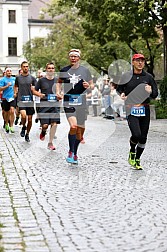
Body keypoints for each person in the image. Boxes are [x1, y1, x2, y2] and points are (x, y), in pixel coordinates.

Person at [117, 53, 158, 170]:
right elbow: (120, 89)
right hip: (131, 108)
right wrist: (122, 94)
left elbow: (155, 94)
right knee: (136, 135)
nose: (140, 63)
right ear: (133, 62)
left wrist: (150, 91)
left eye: (142, 61)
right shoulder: (127, 76)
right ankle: (132, 151)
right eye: (138, 60)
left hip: (144, 108)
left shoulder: (148, 77)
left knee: (143, 137)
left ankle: (137, 158)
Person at [56, 48, 93, 164]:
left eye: (75, 56)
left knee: (80, 131)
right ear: (69, 58)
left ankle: (75, 152)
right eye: (71, 56)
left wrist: (88, 86)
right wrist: (58, 92)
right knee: (73, 126)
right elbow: (59, 82)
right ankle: (71, 151)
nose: (73, 58)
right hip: (68, 101)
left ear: (79, 58)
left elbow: (91, 85)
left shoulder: (85, 70)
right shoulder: (64, 70)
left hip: (81, 102)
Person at [14, 61, 44, 142]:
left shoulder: (32, 78)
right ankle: (23, 126)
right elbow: (16, 86)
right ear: (21, 67)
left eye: (27, 66)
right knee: (23, 116)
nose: (25, 68)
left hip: (30, 100)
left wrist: (35, 91)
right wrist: (15, 92)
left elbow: (36, 88)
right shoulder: (18, 78)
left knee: (30, 119)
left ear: (28, 67)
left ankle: (27, 134)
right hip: (21, 100)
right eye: (24, 66)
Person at [35, 62, 60, 150]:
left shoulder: (57, 80)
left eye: (52, 68)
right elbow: (34, 90)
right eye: (49, 68)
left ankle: (50, 143)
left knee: (54, 124)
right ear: (46, 69)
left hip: (55, 105)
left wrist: (60, 95)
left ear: (54, 70)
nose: (51, 69)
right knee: (45, 125)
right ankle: (43, 131)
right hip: (44, 105)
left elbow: (61, 92)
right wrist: (39, 94)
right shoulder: (41, 80)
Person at [0, 67, 16, 133]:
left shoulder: (14, 79)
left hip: (12, 97)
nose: (9, 72)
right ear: (5, 72)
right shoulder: (2, 80)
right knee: (6, 112)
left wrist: (15, 93)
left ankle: (11, 126)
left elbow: (16, 87)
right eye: (8, 71)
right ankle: (6, 123)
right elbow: (0, 89)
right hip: (5, 98)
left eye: (10, 71)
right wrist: (6, 86)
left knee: (12, 111)